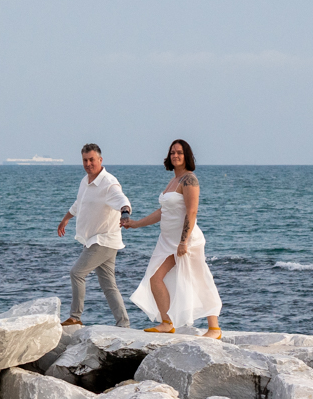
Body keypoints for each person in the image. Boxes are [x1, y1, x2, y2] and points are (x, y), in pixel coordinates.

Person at [123, 138, 222, 337]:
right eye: (172, 152)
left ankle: (214, 328)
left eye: (179, 152)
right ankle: (167, 322)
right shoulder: (174, 180)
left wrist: (184, 241)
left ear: (187, 156)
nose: (175, 155)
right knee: (155, 278)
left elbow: (192, 212)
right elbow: (163, 211)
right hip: (166, 241)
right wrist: (135, 224)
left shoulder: (189, 179)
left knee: (200, 279)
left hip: (186, 241)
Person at [56, 143, 132, 328]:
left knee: (77, 273)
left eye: (92, 160)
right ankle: (124, 324)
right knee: (108, 285)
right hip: (93, 239)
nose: (88, 163)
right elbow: (79, 203)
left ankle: (75, 317)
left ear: (100, 160)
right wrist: (66, 219)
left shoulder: (108, 183)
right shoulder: (86, 181)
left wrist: (125, 214)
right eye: (85, 160)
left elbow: (123, 200)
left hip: (103, 240)